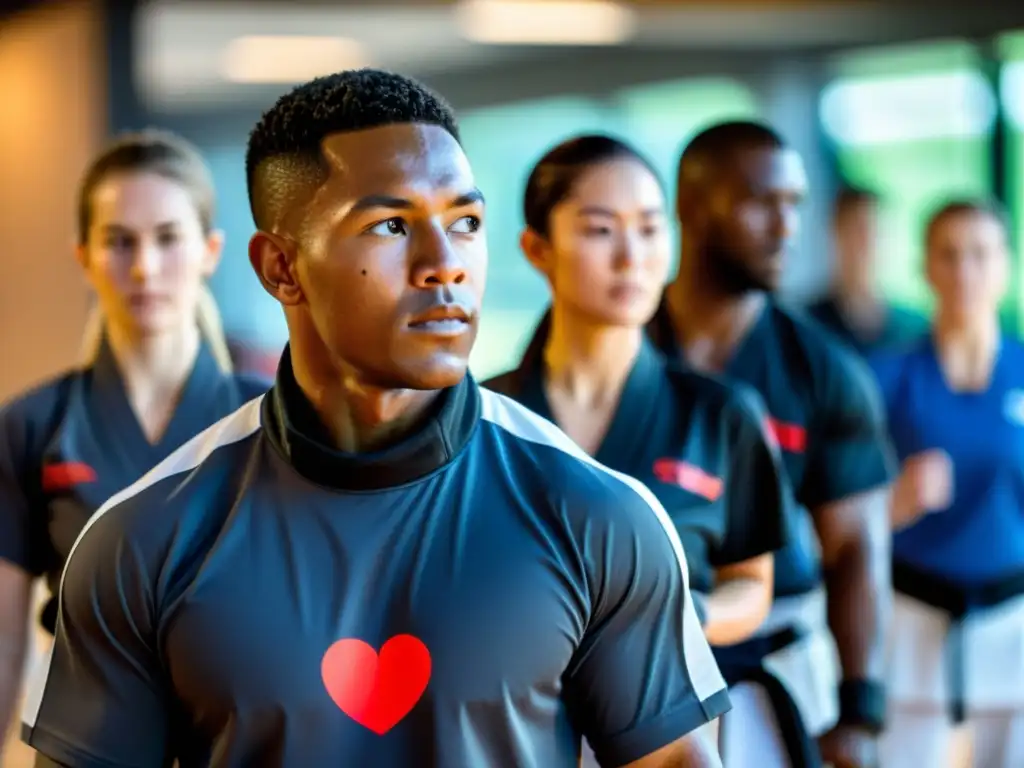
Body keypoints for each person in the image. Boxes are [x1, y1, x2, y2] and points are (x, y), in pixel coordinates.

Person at [21, 70, 728, 768]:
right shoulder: (141, 538)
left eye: (465, 223)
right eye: (391, 225)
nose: (445, 264)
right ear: (281, 269)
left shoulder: (598, 514)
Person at [485, 134, 791, 766]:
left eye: (651, 230)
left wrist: (672, 617)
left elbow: (752, 588)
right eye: (600, 231)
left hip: (680, 724)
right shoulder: (487, 419)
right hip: (525, 730)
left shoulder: (723, 413)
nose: (633, 258)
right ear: (537, 249)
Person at [0, 130, 269, 753]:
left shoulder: (265, 416)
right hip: (84, 740)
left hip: (235, 738)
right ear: (83, 255)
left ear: (210, 250)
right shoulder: (33, 425)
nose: (144, 267)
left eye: (168, 238)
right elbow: (5, 642)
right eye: (119, 241)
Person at [647, 121, 895, 768]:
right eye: (762, 203)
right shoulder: (621, 356)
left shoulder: (824, 370)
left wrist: (860, 712)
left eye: (794, 206)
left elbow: (856, 547)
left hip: (777, 663)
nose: (786, 227)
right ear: (692, 207)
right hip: (636, 663)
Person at [871, 200, 1024, 768]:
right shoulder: (886, 377)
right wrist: (897, 502)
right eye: (949, 255)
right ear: (925, 267)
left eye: (981, 255)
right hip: (915, 618)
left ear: (1005, 265)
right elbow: (838, 515)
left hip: (1015, 620)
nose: (965, 272)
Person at [807, 185, 927, 355]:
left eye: (877, 232)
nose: (868, 242)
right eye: (858, 230)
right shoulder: (807, 327)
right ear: (836, 233)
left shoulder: (915, 330)